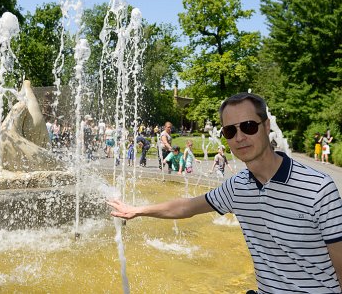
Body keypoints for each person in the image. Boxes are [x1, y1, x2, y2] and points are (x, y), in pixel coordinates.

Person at [109, 92, 342, 293]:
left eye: (249, 127)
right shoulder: (238, 187)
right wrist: (136, 210)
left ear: (267, 126)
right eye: (230, 131)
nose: (240, 137)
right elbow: (187, 207)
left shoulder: (317, 187)